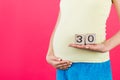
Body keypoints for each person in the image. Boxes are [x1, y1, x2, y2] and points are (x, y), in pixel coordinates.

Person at [46, 0, 120, 80]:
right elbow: (62, 19)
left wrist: (106, 46)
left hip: (92, 63)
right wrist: (50, 52)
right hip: (63, 64)